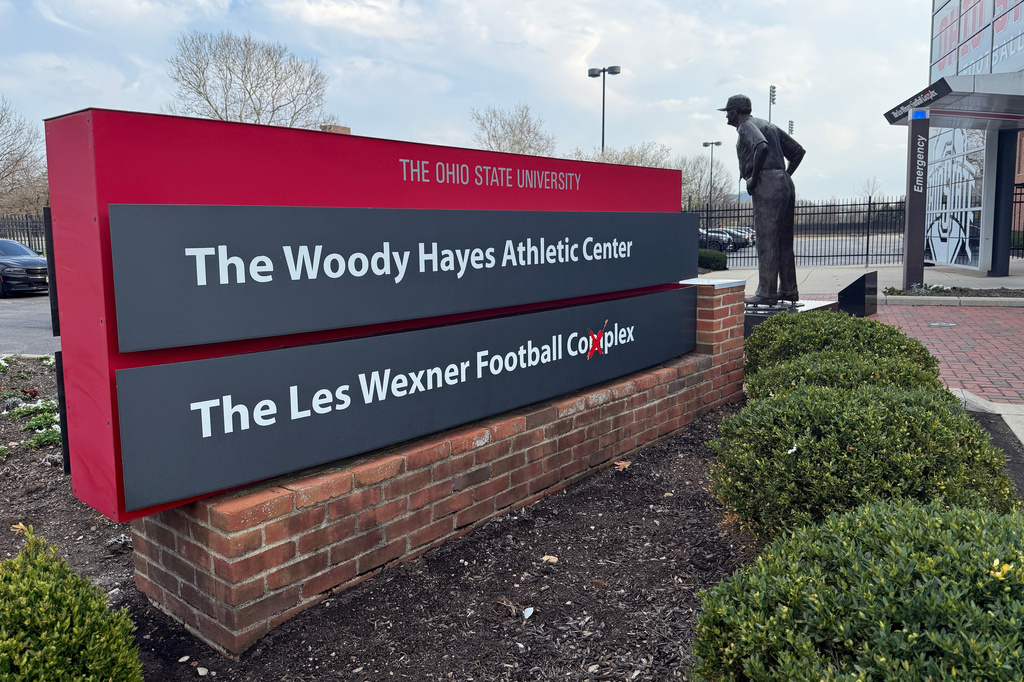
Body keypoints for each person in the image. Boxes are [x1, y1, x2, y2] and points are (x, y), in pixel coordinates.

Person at [719, 94, 805, 305]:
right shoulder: (768, 125)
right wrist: (783, 177)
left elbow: (761, 146)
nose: (726, 117)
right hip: (783, 182)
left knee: (766, 241)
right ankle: (789, 290)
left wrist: (755, 178)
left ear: (735, 112)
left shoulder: (745, 126)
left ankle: (766, 293)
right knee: (784, 241)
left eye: (728, 112)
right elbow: (797, 152)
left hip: (767, 183)